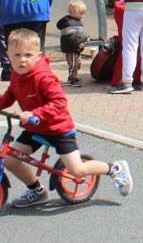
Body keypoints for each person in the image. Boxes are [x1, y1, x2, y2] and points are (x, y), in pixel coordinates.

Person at [0, 28, 133, 207]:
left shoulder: (43, 77)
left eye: (28, 55)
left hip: (58, 129)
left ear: (38, 56)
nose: (22, 60)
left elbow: (59, 102)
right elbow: (10, 95)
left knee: (77, 170)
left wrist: (35, 114)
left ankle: (114, 168)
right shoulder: (17, 74)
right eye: (17, 55)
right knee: (10, 159)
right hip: (35, 128)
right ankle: (37, 191)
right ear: (8, 55)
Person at [56, 0, 88, 87]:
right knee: (74, 63)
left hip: (76, 47)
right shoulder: (67, 21)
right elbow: (72, 36)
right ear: (73, 12)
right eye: (81, 13)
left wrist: (83, 40)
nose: (83, 15)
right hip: (71, 47)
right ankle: (72, 78)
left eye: (83, 13)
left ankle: (73, 76)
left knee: (77, 63)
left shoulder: (78, 22)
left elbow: (79, 35)